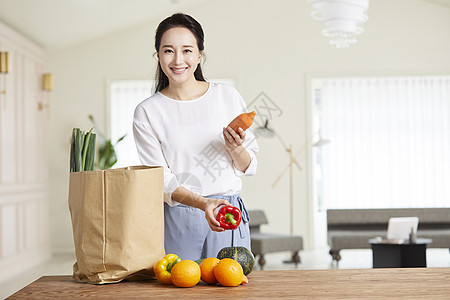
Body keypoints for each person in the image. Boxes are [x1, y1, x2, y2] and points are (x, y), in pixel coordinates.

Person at [133, 13, 259, 261]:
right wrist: (203, 205)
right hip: (179, 218)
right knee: (180, 290)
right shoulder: (147, 111)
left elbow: (250, 165)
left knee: (232, 290)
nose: (178, 59)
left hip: (228, 214)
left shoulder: (227, 96)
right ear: (158, 56)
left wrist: (235, 149)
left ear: (200, 55)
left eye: (187, 50)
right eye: (168, 50)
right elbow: (161, 179)